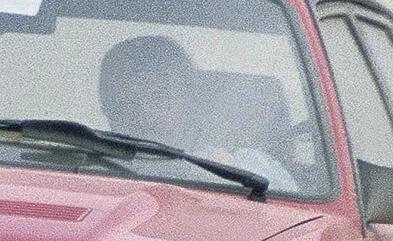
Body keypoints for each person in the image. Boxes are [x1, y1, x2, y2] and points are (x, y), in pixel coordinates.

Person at [96, 34, 295, 188]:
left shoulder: (247, 166)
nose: (145, 117)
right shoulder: (82, 170)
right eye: (125, 106)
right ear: (107, 110)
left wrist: (232, 173)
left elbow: (294, 216)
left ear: (189, 100)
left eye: (160, 99)